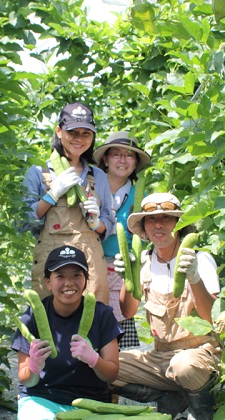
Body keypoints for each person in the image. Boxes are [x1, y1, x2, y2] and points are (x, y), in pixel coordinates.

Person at [112, 193, 222, 420]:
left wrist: (194, 278)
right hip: (160, 355)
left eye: (166, 219)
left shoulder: (199, 259)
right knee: (106, 366)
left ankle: (201, 413)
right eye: (151, 220)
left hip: (199, 352)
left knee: (184, 366)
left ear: (178, 225)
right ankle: (170, 398)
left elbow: (211, 318)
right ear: (143, 228)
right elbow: (128, 312)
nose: (158, 225)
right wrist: (127, 279)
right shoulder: (144, 260)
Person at [12, 245, 121, 420]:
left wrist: (94, 359)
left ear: (86, 280)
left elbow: (111, 374)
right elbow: (25, 379)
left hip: (91, 403)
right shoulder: (32, 316)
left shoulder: (102, 315)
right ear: (48, 282)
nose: (69, 283)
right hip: (43, 400)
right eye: (60, 276)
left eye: (76, 275)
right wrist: (34, 367)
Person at [21, 102, 114, 304]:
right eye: (72, 132)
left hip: (90, 263)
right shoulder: (38, 174)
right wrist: (52, 195)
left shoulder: (97, 176)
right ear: (59, 131)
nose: (79, 139)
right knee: (49, 324)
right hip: (51, 263)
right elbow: (24, 221)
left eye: (85, 133)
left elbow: (109, 222)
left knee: (93, 321)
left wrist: (96, 223)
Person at [93, 131, 152, 349]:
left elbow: (146, 232)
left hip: (121, 268)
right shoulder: (91, 187)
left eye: (129, 155)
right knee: (88, 316)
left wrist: (135, 258)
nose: (122, 160)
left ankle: (118, 373)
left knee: (119, 320)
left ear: (135, 162)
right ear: (106, 160)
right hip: (91, 263)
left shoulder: (140, 195)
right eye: (116, 154)